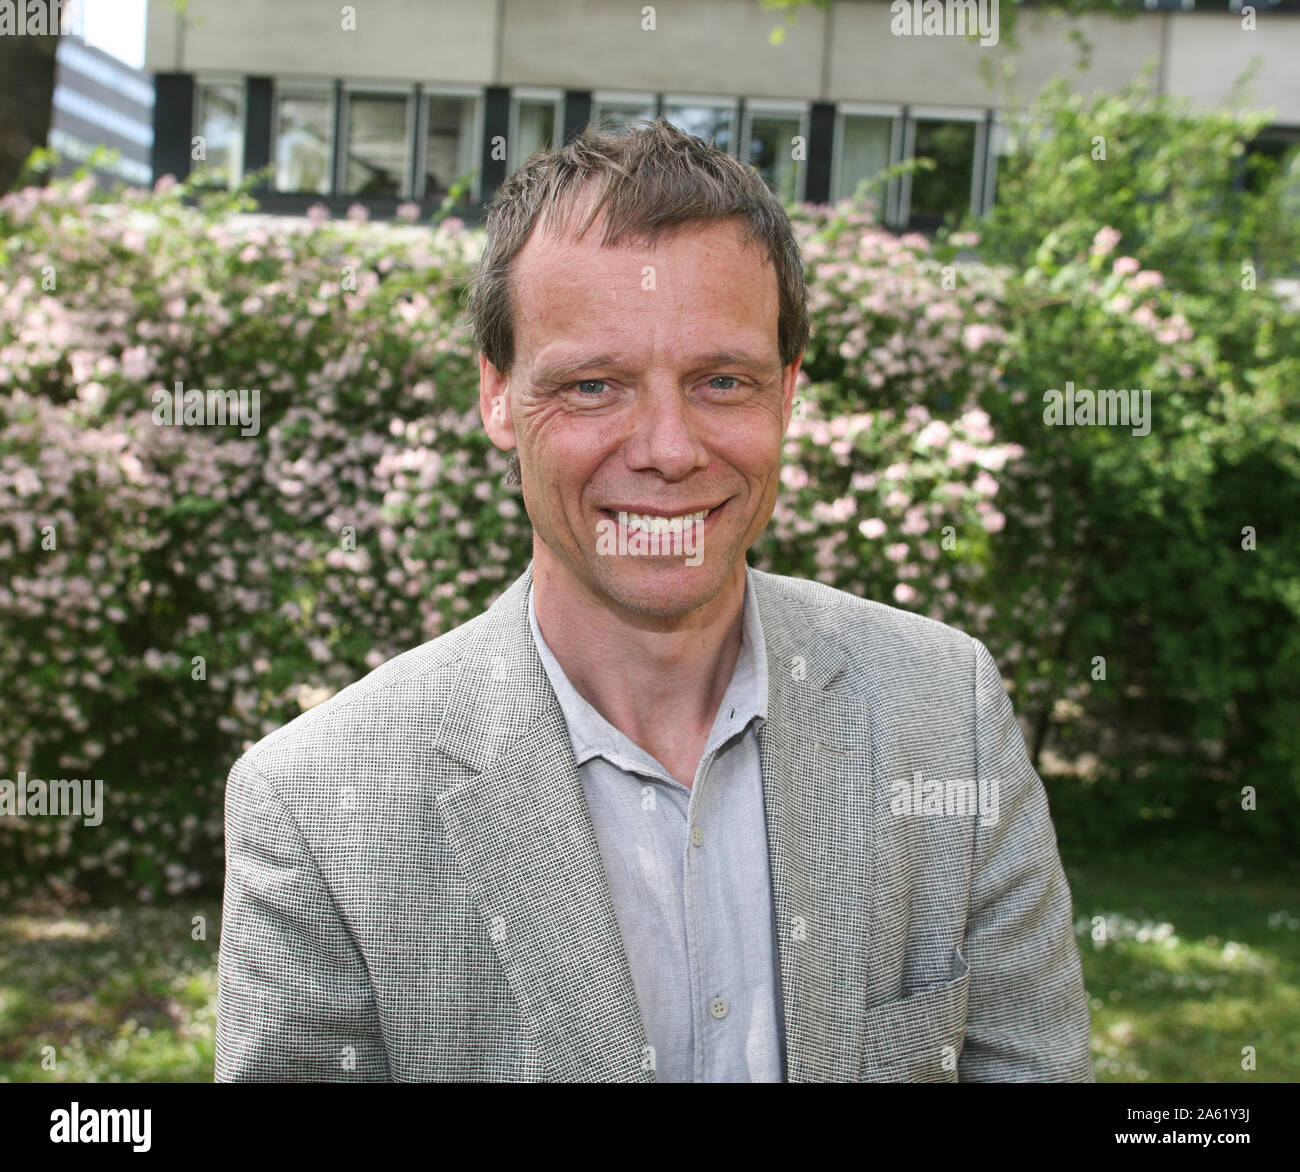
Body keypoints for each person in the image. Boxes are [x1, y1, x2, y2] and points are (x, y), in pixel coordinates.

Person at [215, 118, 1093, 1083]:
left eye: (723, 380)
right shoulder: (315, 806)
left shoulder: (946, 711)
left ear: (788, 392)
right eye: (594, 386)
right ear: (498, 397)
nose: (669, 449)